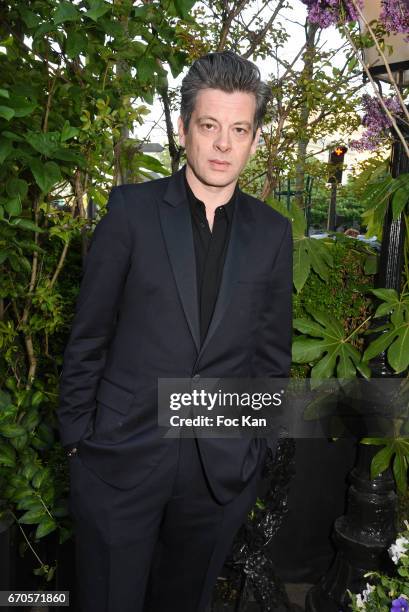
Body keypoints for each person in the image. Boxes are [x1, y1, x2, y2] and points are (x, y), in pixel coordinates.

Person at [57, 50, 293, 612]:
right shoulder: (131, 212)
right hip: (120, 459)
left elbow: (270, 359)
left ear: (254, 138)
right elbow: (89, 336)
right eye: (209, 126)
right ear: (184, 128)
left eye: (239, 129)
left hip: (218, 473)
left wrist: (253, 450)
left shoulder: (273, 233)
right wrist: (77, 445)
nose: (222, 144)